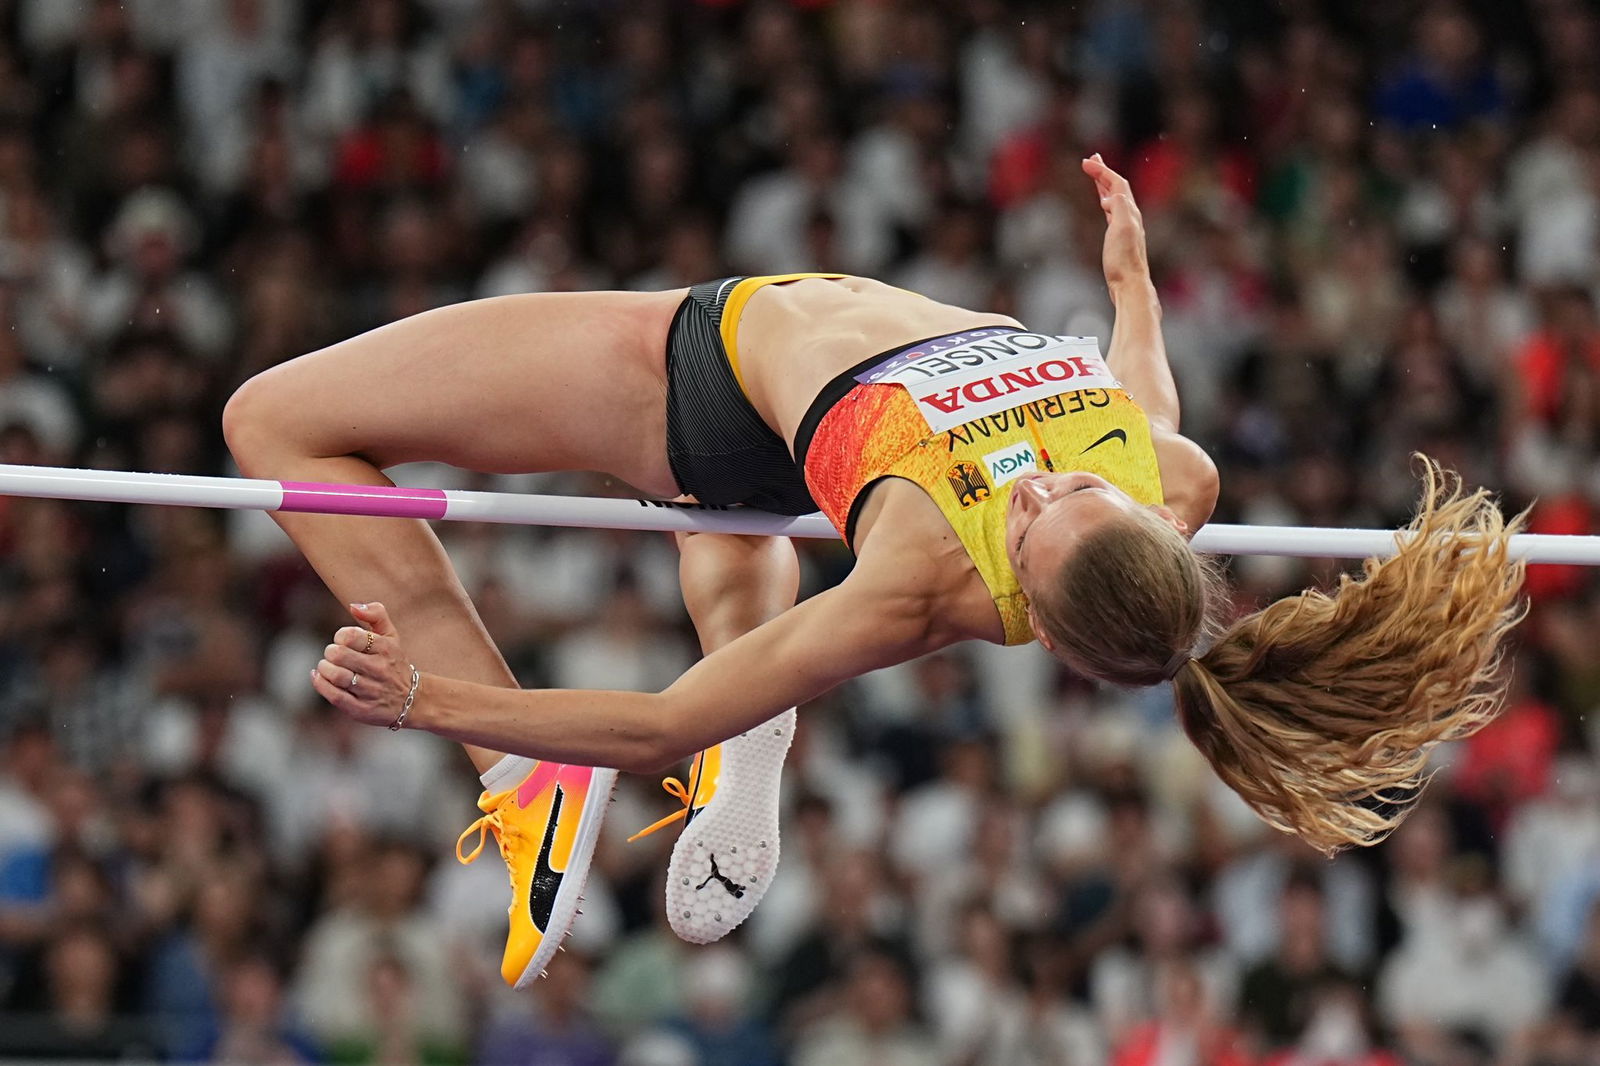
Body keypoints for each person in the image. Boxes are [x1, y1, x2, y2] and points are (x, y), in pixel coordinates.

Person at [223, 157, 1526, 987]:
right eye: (1077, 490)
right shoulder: (1168, 479)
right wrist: (1132, 281)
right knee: (726, 541)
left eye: (1031, 524)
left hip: (697, 377)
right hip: (785, 435)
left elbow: (663, 722)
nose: (1036, 485)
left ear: (1027, 603)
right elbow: (1145, 399)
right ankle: (758, 726)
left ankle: (524, 783)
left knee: (274, 421)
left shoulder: (918, 578)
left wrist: (430, 703)